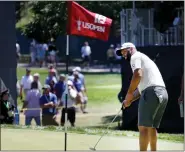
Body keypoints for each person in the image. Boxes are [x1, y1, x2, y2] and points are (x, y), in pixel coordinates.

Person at [116, 42, 168, 151]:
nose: (123, 54)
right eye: (121, 53)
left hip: (151, 92)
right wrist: (128, 100)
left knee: (143, 128)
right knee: (151, 127)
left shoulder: (135, 56)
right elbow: (140, 91)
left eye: (124, 51)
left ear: (131, 49)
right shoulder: (144, 58)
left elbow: (137, 74)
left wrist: (129, 93)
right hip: (162, 93)